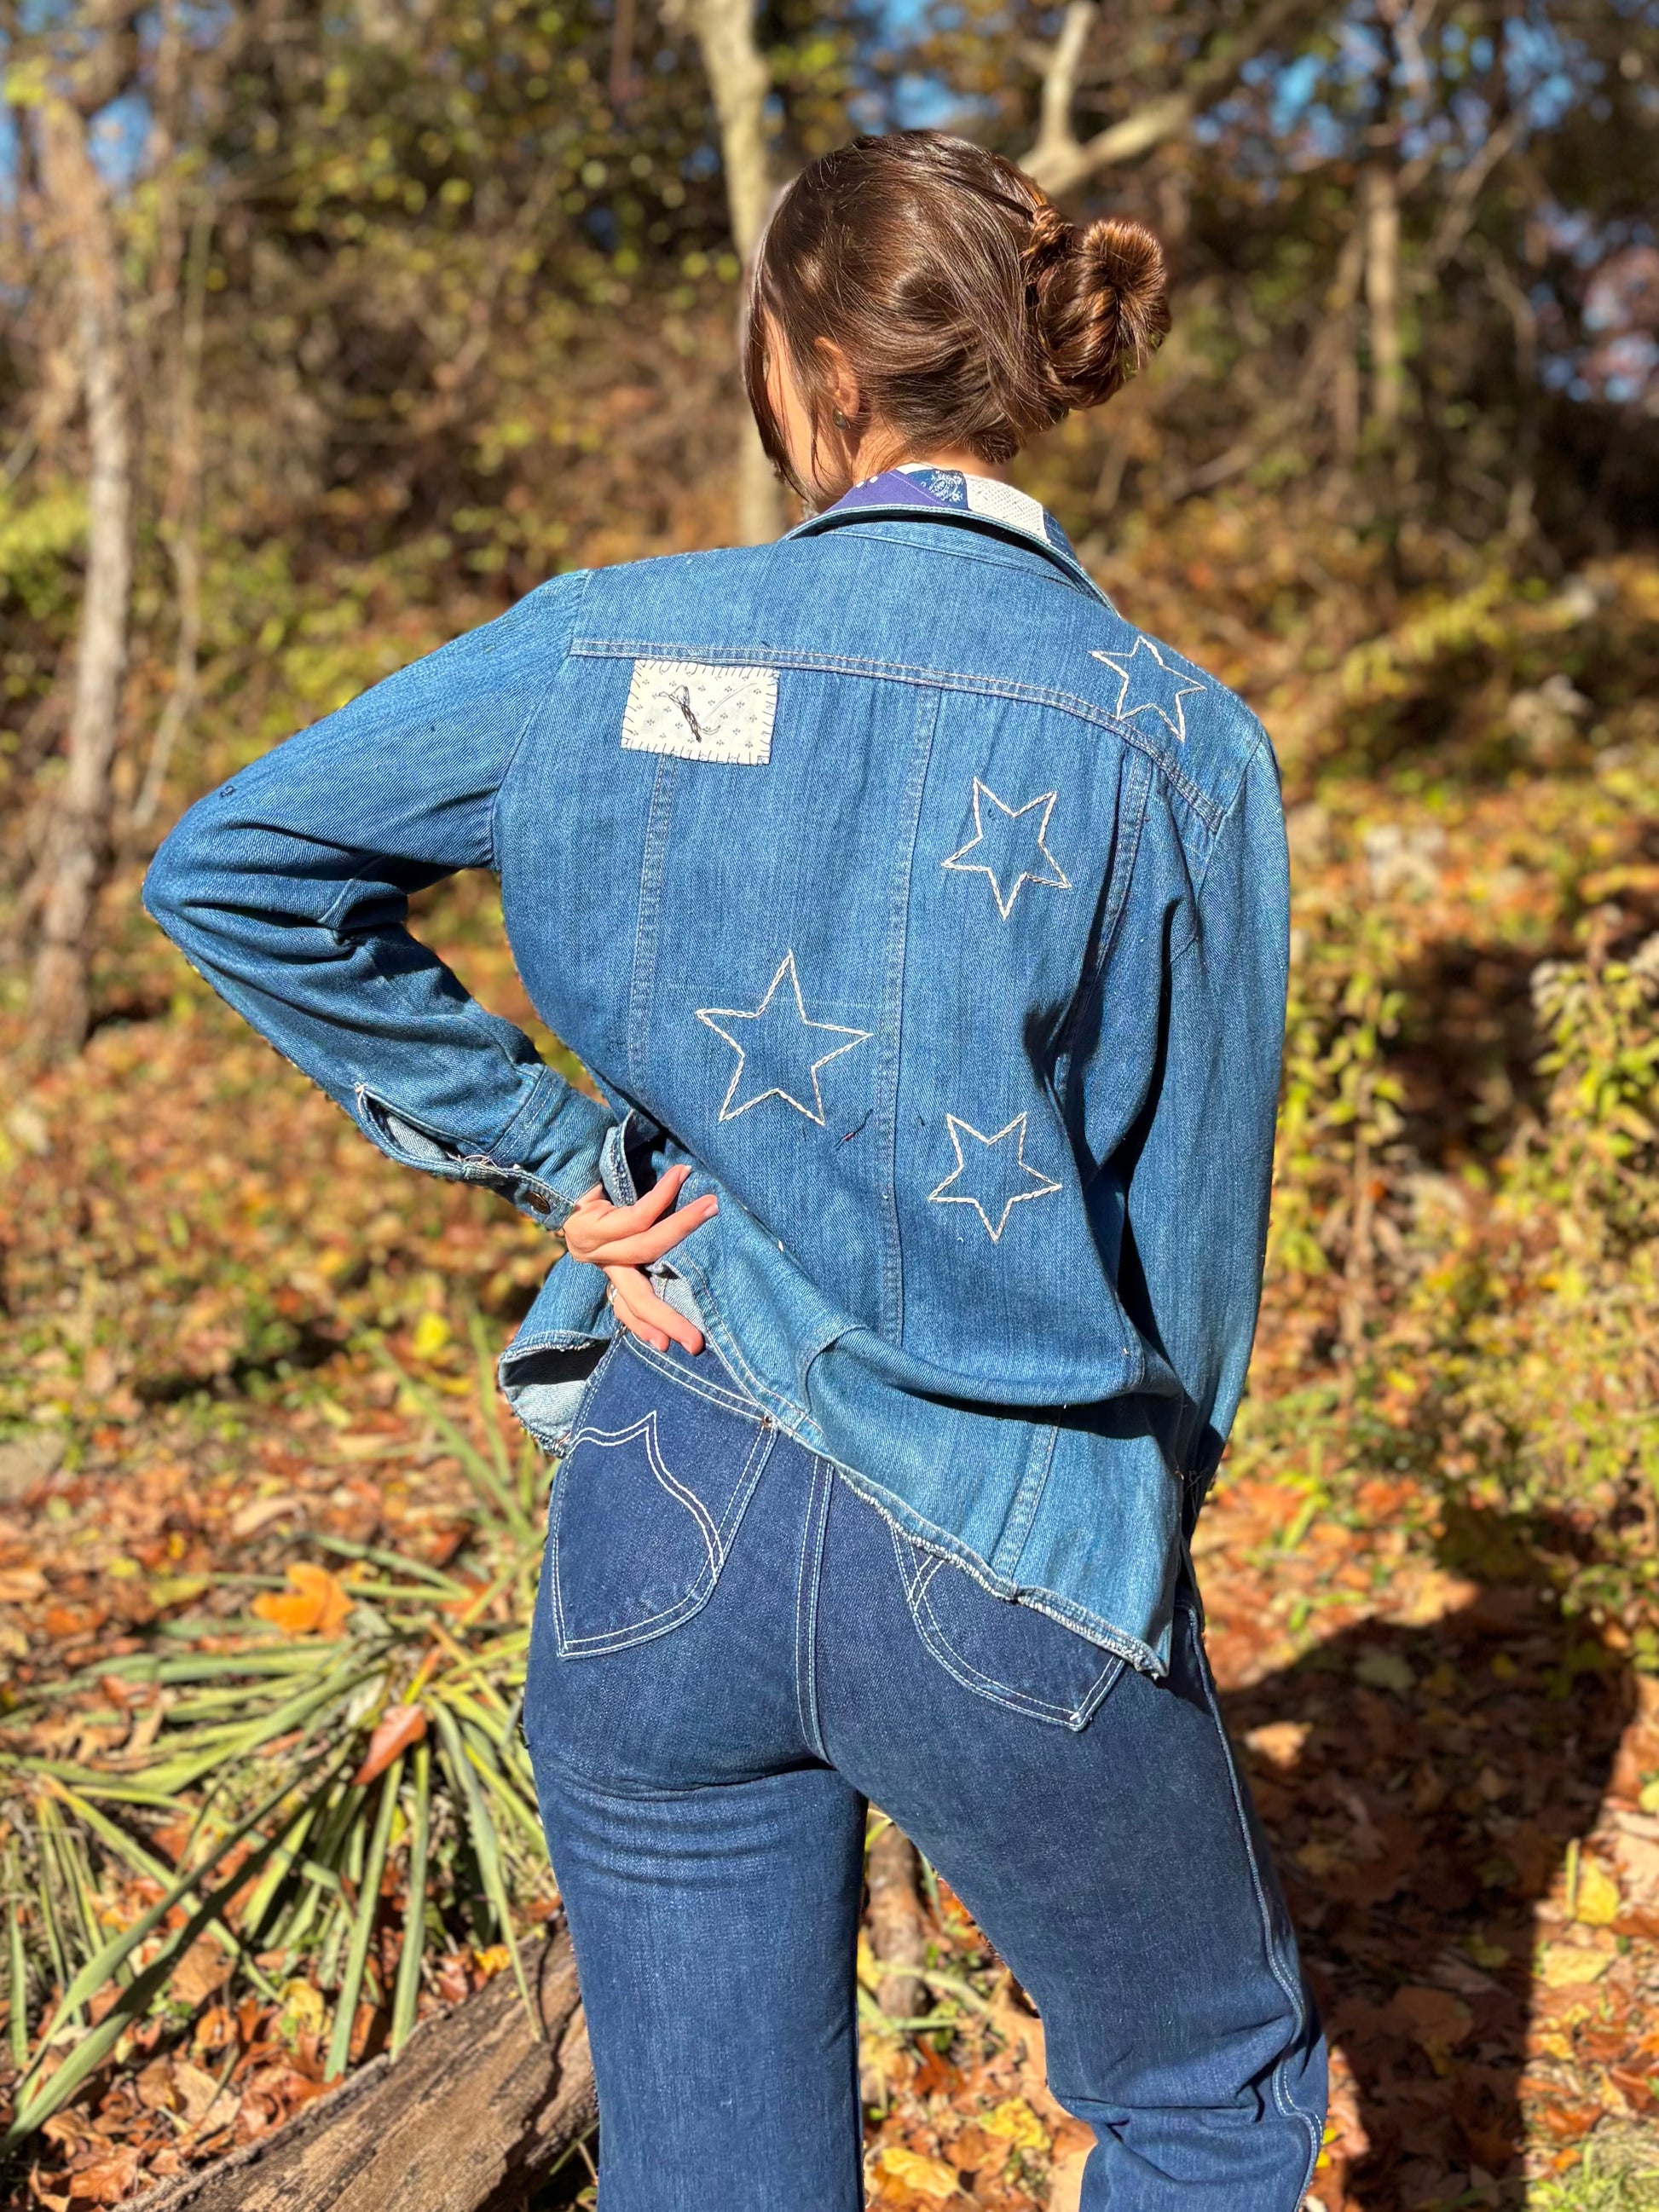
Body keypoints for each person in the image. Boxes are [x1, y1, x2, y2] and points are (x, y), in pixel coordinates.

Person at [145, 129, 1325, 2212]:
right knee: (1207, 2099)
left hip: (659, 1489)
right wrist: (1121, 1551)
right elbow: (1194, 1264)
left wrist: (553, 1156)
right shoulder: (1174, 739)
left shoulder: (605, 649)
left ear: (808, 367)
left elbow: (237, 865)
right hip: (1005, 1521)